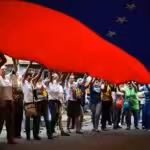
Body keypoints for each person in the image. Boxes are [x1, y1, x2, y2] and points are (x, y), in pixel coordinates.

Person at [22, 62, 44, 140]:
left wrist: (42, 68)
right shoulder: (24, 83)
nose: (30, 76)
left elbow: (38, 76)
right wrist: (30, 64)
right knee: (28, 120)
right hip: (27, 103)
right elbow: (24, 74)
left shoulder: (31, 83)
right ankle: (28, 136)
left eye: (30, 75)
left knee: (36, 119)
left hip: (33, 103)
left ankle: (35, 135)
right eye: (29, 75)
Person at [0, 54, 17, 144]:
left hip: (10, 102)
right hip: (2, 102)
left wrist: (14, 60)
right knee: (0, 121)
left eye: (5, 70)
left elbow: (15, 70)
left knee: (10, 121)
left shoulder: (7, 78)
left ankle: (10, 139)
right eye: (2, 70)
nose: (4, 71)